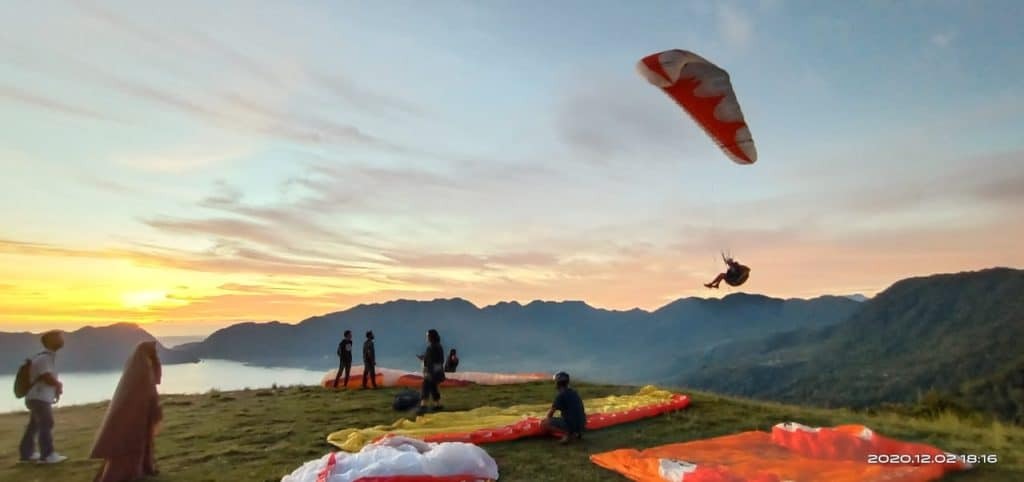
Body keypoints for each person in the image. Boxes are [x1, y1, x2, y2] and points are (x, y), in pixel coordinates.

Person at [90, 341, 163, 482]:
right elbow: (146, 391)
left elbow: (153, 384)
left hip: (143, 413)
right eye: (154, 351)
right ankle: (129, 473)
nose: (156, 354)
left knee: (143, 443)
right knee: (132, 444)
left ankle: (143, 468)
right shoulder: (142, 369)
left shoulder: (142, 366)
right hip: (136, 414)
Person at [19, 330, 68, 464]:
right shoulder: (44, 358)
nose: (62, 338)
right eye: (58, 336)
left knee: (34, 425)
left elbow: (46, 377)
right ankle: (47, 455)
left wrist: (55, 390)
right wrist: (58, 385)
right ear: (50, 340)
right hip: (39, 398)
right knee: (47, 423)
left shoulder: (46, 357)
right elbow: (46, 377)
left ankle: (26, 454)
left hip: (37, 397)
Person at [541, 372, 586, 445]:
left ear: (557, 383)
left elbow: (550, 413)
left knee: (544, 424)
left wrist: (547, 420)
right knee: (570, 418)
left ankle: (568, 434)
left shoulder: (560, 396)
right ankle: (577, 432)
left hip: (571, 424)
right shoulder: (574, 392)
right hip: (582, 423)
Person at [416, 329, 445, 413]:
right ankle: (438, 404)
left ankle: (423, 406)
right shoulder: (439, 346)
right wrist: (424, 358)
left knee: (425, 387)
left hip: (431, 372)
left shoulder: (430, 347)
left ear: (430, 337)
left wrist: (426, 370)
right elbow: (440, 360)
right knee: (433, 388)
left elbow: (429, 361)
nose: (426, 337)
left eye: (427, 336)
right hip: (438, 371)